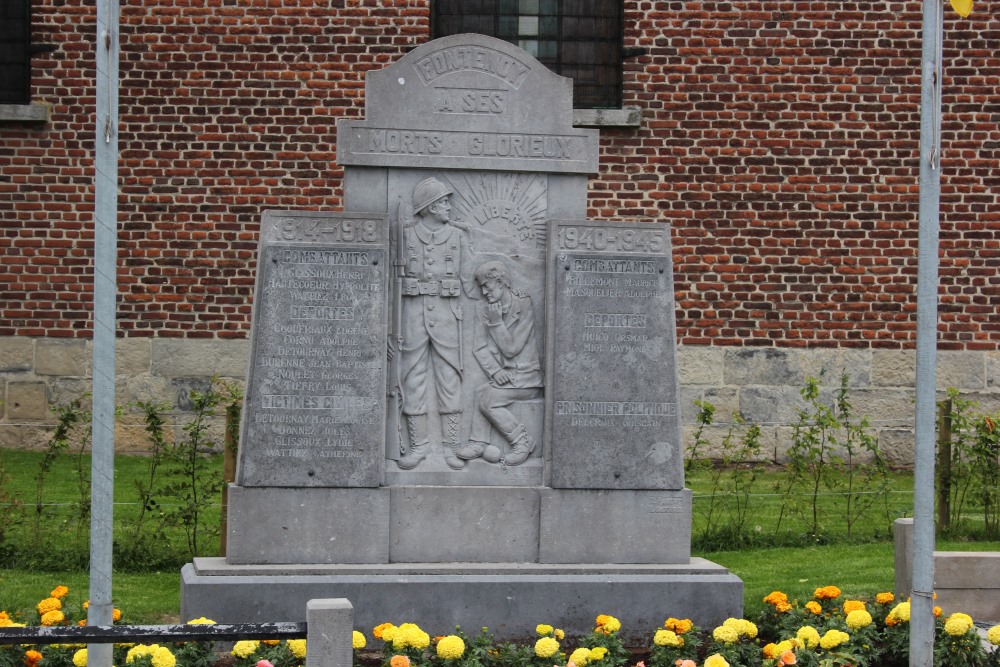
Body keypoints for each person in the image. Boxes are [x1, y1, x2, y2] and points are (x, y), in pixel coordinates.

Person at [396, 177, 478, 470]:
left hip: (447, 316)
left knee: (449, 378)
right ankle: (418, 446)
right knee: (412, 378)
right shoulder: (405, 236)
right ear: (429, 207)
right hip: (412, 316)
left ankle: (452, 446)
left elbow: (472, 279)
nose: (448, 206)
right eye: (443, 202)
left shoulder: (457, 237)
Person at [457, 260, 543, 466]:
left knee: (488, 400)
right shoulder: (483, 309)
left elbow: (512, 348)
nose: (485, 292)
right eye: (482, 287)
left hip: (527, 377)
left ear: (501, 281)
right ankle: (478, 442)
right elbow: (478, 347)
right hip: (506, 376)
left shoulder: (523, 304)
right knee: (480, 392)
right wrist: (495, 372)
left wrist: (496, 322)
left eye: (488, 286)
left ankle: (522, 441)